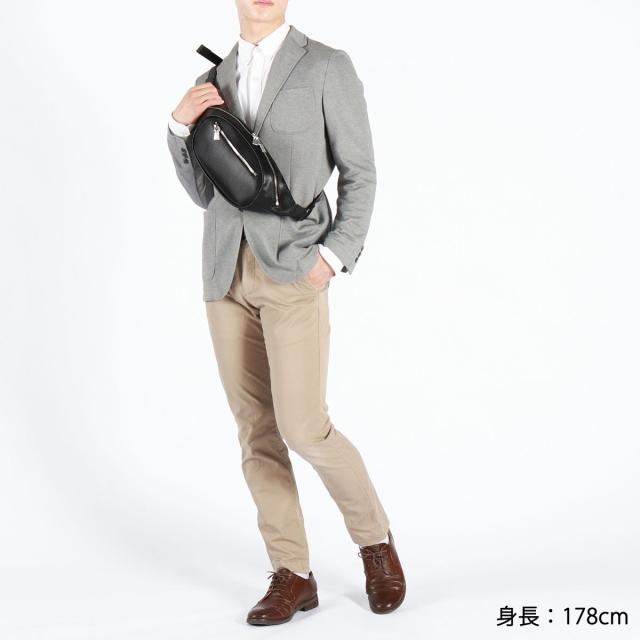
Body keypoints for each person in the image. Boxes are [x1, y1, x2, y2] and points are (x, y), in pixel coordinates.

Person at [166, 0, 405, 625]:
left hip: (296, 269)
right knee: (256, 430)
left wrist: (335, 255)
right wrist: (177, 128)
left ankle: (374, 541)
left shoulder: (326, 66)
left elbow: (360, 173)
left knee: (304, 427)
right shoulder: (210, 80)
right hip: (225, 273)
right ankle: (292, 572)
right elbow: (204, 193)